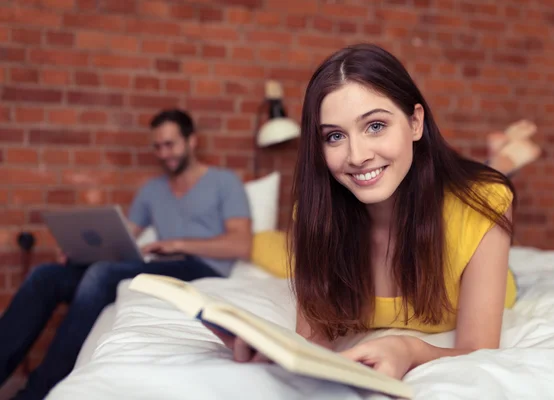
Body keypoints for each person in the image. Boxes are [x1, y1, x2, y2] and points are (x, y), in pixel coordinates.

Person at [209, 43, 525, 379]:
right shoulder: (316, 217)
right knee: (266, 248)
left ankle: (503, 159)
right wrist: (274, 351)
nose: (357, 156)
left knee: (488, 183)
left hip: (487, 250)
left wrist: (409, 348)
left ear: (415, 122)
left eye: (375, 125)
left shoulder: (484, 203)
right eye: (334, 136)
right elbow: (312, 341)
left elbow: (479, 349)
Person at [0, 109, 252, 399]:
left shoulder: (224, 182)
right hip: (159, 264)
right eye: (157, 146)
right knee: (46, 276)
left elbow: (240, 244)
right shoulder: (152, 190)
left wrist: (177, 244)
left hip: (202, 267)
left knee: (102, 274)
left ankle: (33, 394)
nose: (163, 153)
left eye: (170, 144)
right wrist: (82, 251)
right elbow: (125, 237)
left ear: (192, 141)